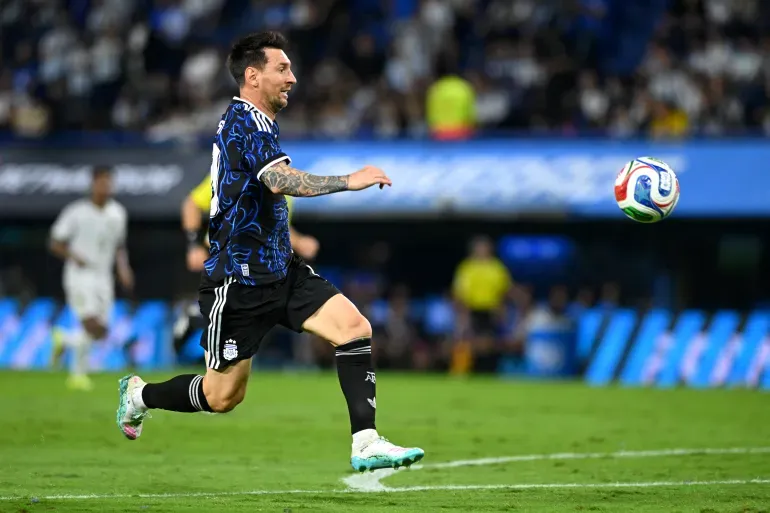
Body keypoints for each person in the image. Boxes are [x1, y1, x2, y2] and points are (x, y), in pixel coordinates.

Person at [116, 31, 424, 472]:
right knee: (222, 396)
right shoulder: (244, 122)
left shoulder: (261, 124)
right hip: (237, 283)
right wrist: (348, 180)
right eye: (283, 68)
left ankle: (366, 442)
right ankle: (139, 395)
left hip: (282, 271)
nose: (292, 78)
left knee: (354, 328)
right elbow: (279, 182)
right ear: (252, 76)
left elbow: (261, 204)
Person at [49, 166, 134, 390]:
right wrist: (74, 256)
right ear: (93, 184)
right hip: (79, 275)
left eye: (108, 182)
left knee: (102, 330)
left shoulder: (118, 213)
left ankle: (64, 339)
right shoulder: (76, 212)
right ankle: (77, 375)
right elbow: (55, 242)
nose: (105, 187)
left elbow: (119, 246)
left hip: (104, 276)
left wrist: (123, 268)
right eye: (101, 182)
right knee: (90, 323)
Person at [182, 174, 320, 272]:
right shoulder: (228, 175)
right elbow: (192, 204)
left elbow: (278, 227)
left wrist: (300, 241)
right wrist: (194, 245)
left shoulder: (281, 186)